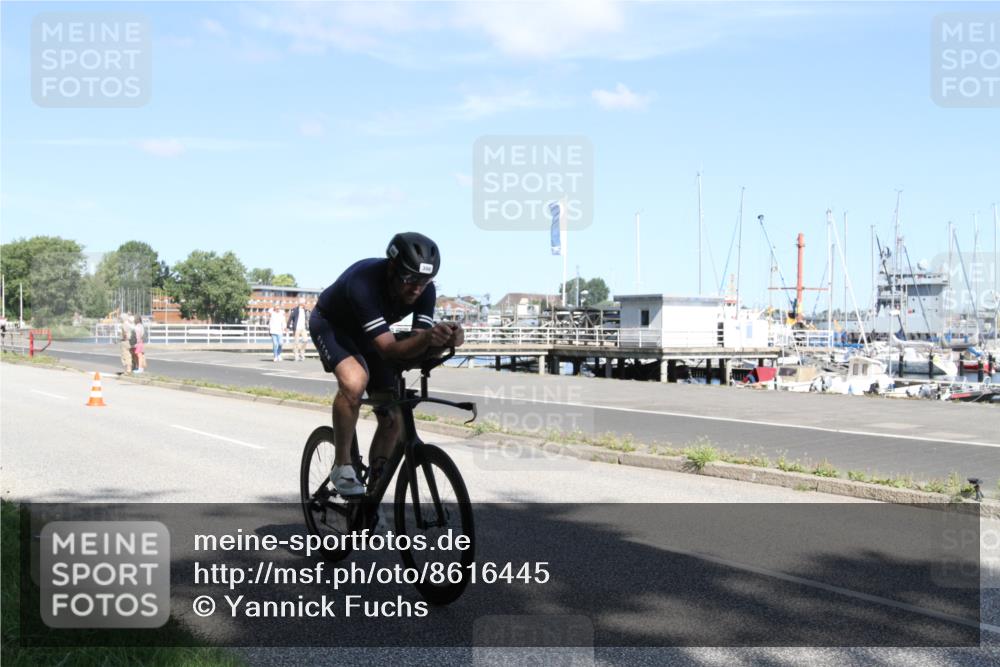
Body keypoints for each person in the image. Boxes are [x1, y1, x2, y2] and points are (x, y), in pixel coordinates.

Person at [311, 232, 463, 496]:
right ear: (392, 267)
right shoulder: (363, 283)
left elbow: (417, 346)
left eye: (424, 281)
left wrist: (446, 340)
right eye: (410, 279)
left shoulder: (425, 291)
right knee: (355, 381)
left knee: (392, 417)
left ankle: (372, 501)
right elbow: (391, 351)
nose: (417, 289)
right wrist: (428, 339)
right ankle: (342, 464)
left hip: (370, 336)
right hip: (331, 326)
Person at [287, 297, 309, 361]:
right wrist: (288, 327)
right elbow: (290, 318)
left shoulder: (305, 310)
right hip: (296, 328)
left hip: (303, 328)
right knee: (296, 342)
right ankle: (296, 356)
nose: (306, 304)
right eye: (305, 303)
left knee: (305, 340)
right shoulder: (295, 310)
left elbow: (308, 319)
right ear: (301, 303)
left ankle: (301, 353)